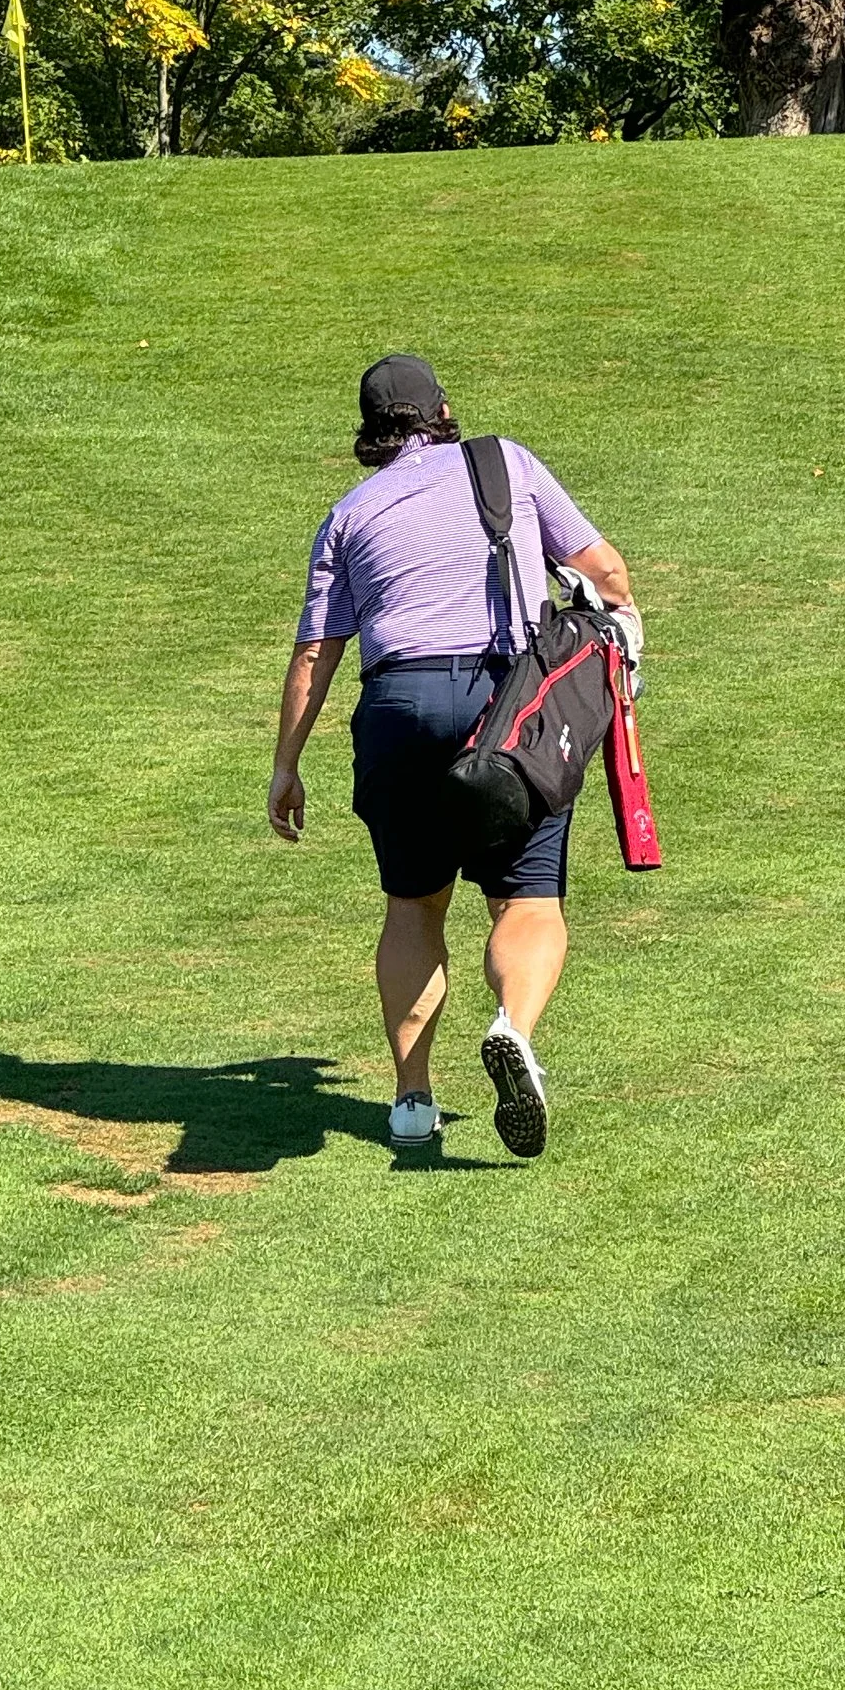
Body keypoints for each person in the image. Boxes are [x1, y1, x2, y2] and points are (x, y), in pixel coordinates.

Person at [268, 354, 639, 1159]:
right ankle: (514, 1027)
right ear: (442, 410)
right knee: (528, 900)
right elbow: (604, 574)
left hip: (397, 710)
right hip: (508, 712)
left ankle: (410, 1099)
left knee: (413, 904)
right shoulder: (507, 462)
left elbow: (315, 654)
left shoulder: (349, 512)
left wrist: (286, 763)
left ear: (371, 431)